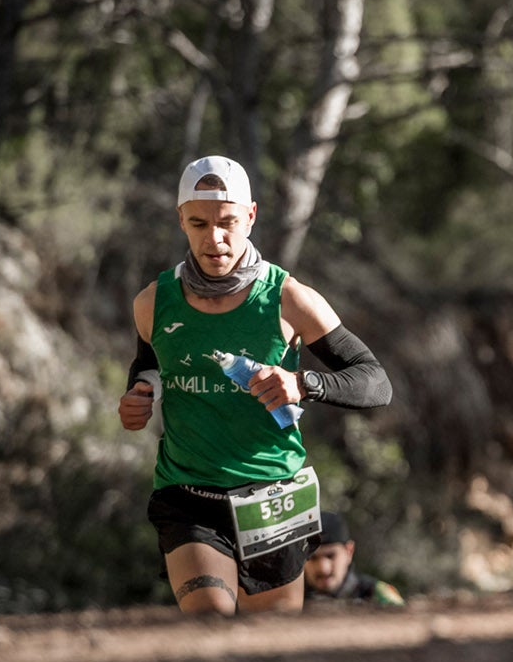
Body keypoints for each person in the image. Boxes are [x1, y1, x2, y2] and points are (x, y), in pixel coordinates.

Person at [118, 156, 392, 615]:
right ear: (180, 218)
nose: (215, 239)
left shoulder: (289, 299)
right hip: (189, 496)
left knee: (271, 646)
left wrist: (302, 383)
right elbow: (147, 368)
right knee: (210, 620)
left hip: (273, 497)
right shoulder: (153, 302)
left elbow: (375, 381)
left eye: (227, 222)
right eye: (199, 223)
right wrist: (137, 398)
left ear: (251, 216)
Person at [302, 511, 405, 607]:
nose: (323, 568)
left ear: (349, 551)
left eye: (331, 556)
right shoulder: (293, 600)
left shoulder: (378, 595)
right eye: (312, 558)